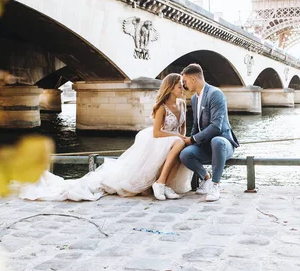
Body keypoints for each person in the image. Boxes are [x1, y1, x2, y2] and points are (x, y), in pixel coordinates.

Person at [20, 73, 193, 202]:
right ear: (170, 87)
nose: (182, 89)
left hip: (173, 140)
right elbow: (157, 132)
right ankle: (161, 182)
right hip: (160, 138)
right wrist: (179, 137)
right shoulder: (161, 107)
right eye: (179, 86)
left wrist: (182, 138)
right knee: (179, 142)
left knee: (181, 144)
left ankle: (165, 184)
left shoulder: (181, 104)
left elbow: (183, 128)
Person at [180, 64, 239, 201]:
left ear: (193, 79)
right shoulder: (194, 99)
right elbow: (196, 124)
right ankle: (206, 178)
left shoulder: (215, 94)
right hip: (205, 145)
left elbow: (216, 127)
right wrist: (189, 142)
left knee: (217, 140)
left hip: (223, 143)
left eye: (185, 81)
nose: (184, 85)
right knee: (185, 154)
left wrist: (193, 139)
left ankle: (215, 185)